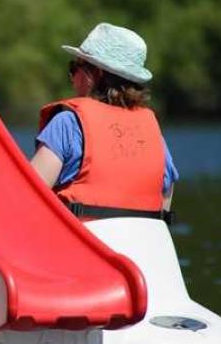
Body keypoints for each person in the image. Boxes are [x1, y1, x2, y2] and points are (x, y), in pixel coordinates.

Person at [30, 22, 179, 221]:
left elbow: (27, 197)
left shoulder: (67, 124)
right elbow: (165, 203)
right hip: (147, 248)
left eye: (75, 68)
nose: (72, 78)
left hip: (84, 246)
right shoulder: (154, 136)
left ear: (96, 74)